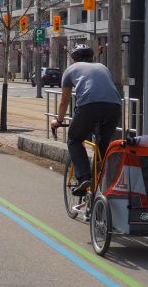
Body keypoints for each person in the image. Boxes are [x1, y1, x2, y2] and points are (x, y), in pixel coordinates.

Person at [51, 44, 121, 196]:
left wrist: (58, 120)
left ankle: (84, 177)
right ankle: (101, 186)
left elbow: (64, 101)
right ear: (91, 57)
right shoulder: (103, 67)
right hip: (114, 107)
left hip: (89, 107)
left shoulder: (70, 70)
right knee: (103, 147)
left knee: (74, 139)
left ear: (74, 59)